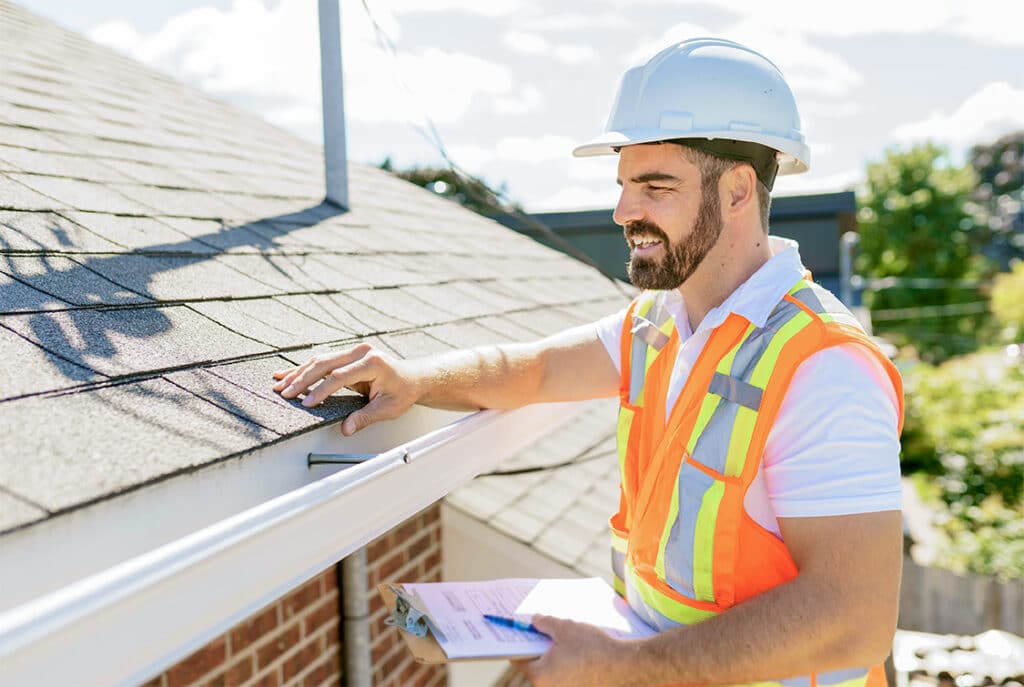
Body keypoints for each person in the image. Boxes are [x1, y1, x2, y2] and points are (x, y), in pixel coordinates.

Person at [274, 37, 904, 687]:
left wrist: (624, 666)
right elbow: (539, 369)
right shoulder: (662, 322)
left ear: (739, 189)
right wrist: (414, 378)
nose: (623, 212)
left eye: (655, 187)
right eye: (625, 185)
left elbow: (852, 617)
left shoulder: (824, 364)